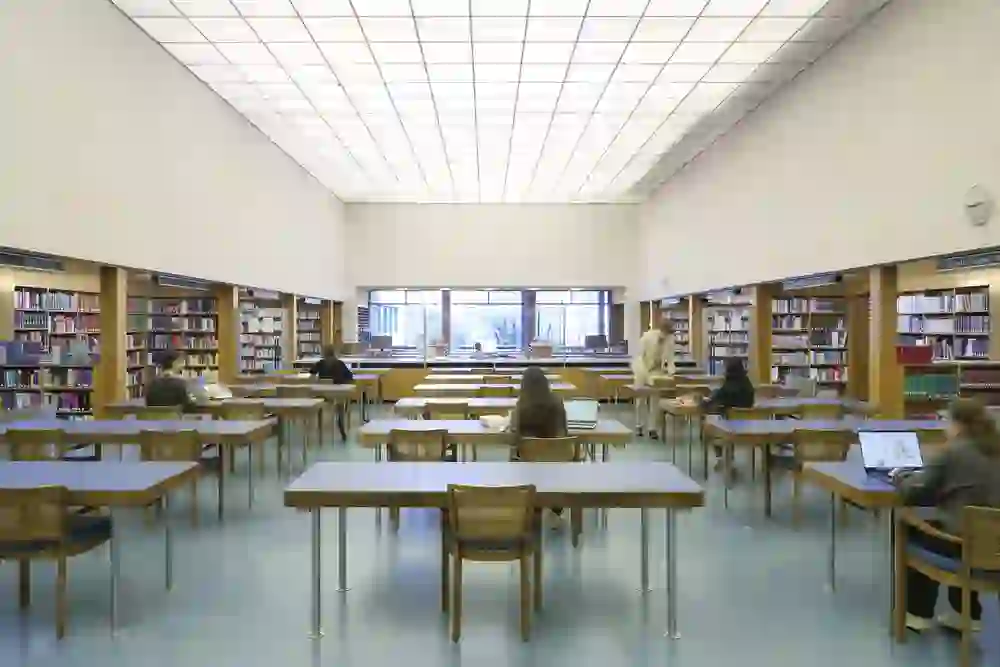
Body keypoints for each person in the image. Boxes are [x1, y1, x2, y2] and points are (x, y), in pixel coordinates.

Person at [895, 398, 1000, 633]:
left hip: (963, 547)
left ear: (959, 424)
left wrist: (900, 480)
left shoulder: (951, 451)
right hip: (996, 549)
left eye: (947, 421)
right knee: (973, 528)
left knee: (911, 525)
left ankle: (918, 612)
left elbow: (917, 492)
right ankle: (967, 613)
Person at [509, 367, 569, 525]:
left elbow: (514, 436)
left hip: (529, 461)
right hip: (556, 461)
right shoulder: (557, 402)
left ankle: (522, 500)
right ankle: (556, 506)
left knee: (513, 455)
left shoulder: (521, 406)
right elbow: (564, 432)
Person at [701, 357, 755, 471]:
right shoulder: (748, 385)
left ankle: (720, 457)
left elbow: (714, 400)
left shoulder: (728, 387)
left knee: (710, 422)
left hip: (729, 428)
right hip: (749, 426)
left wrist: (704, 401)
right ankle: (727, 457)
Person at [630, 316, 676, 439]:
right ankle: (639, 425)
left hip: (657, 372)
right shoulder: (647, 337)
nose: (667, 336)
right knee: (640, 400)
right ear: (661, 329)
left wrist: (671, 372)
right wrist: (643, 373)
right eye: (666, 332)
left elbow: (670, 358)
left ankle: (652, 428)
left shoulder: (670, 340)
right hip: (642, 369)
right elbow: (639, 357)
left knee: (655, 400)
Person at [309, 345, 353, 441]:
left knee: (330, 402)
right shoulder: (340, 363)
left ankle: (320, 427)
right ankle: (341, 427)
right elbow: (350, 377)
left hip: (322, 395)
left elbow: (311, 373)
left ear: (324, 354)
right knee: (340, 405)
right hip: (337, 394)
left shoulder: (320, 363)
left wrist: (317, 382)